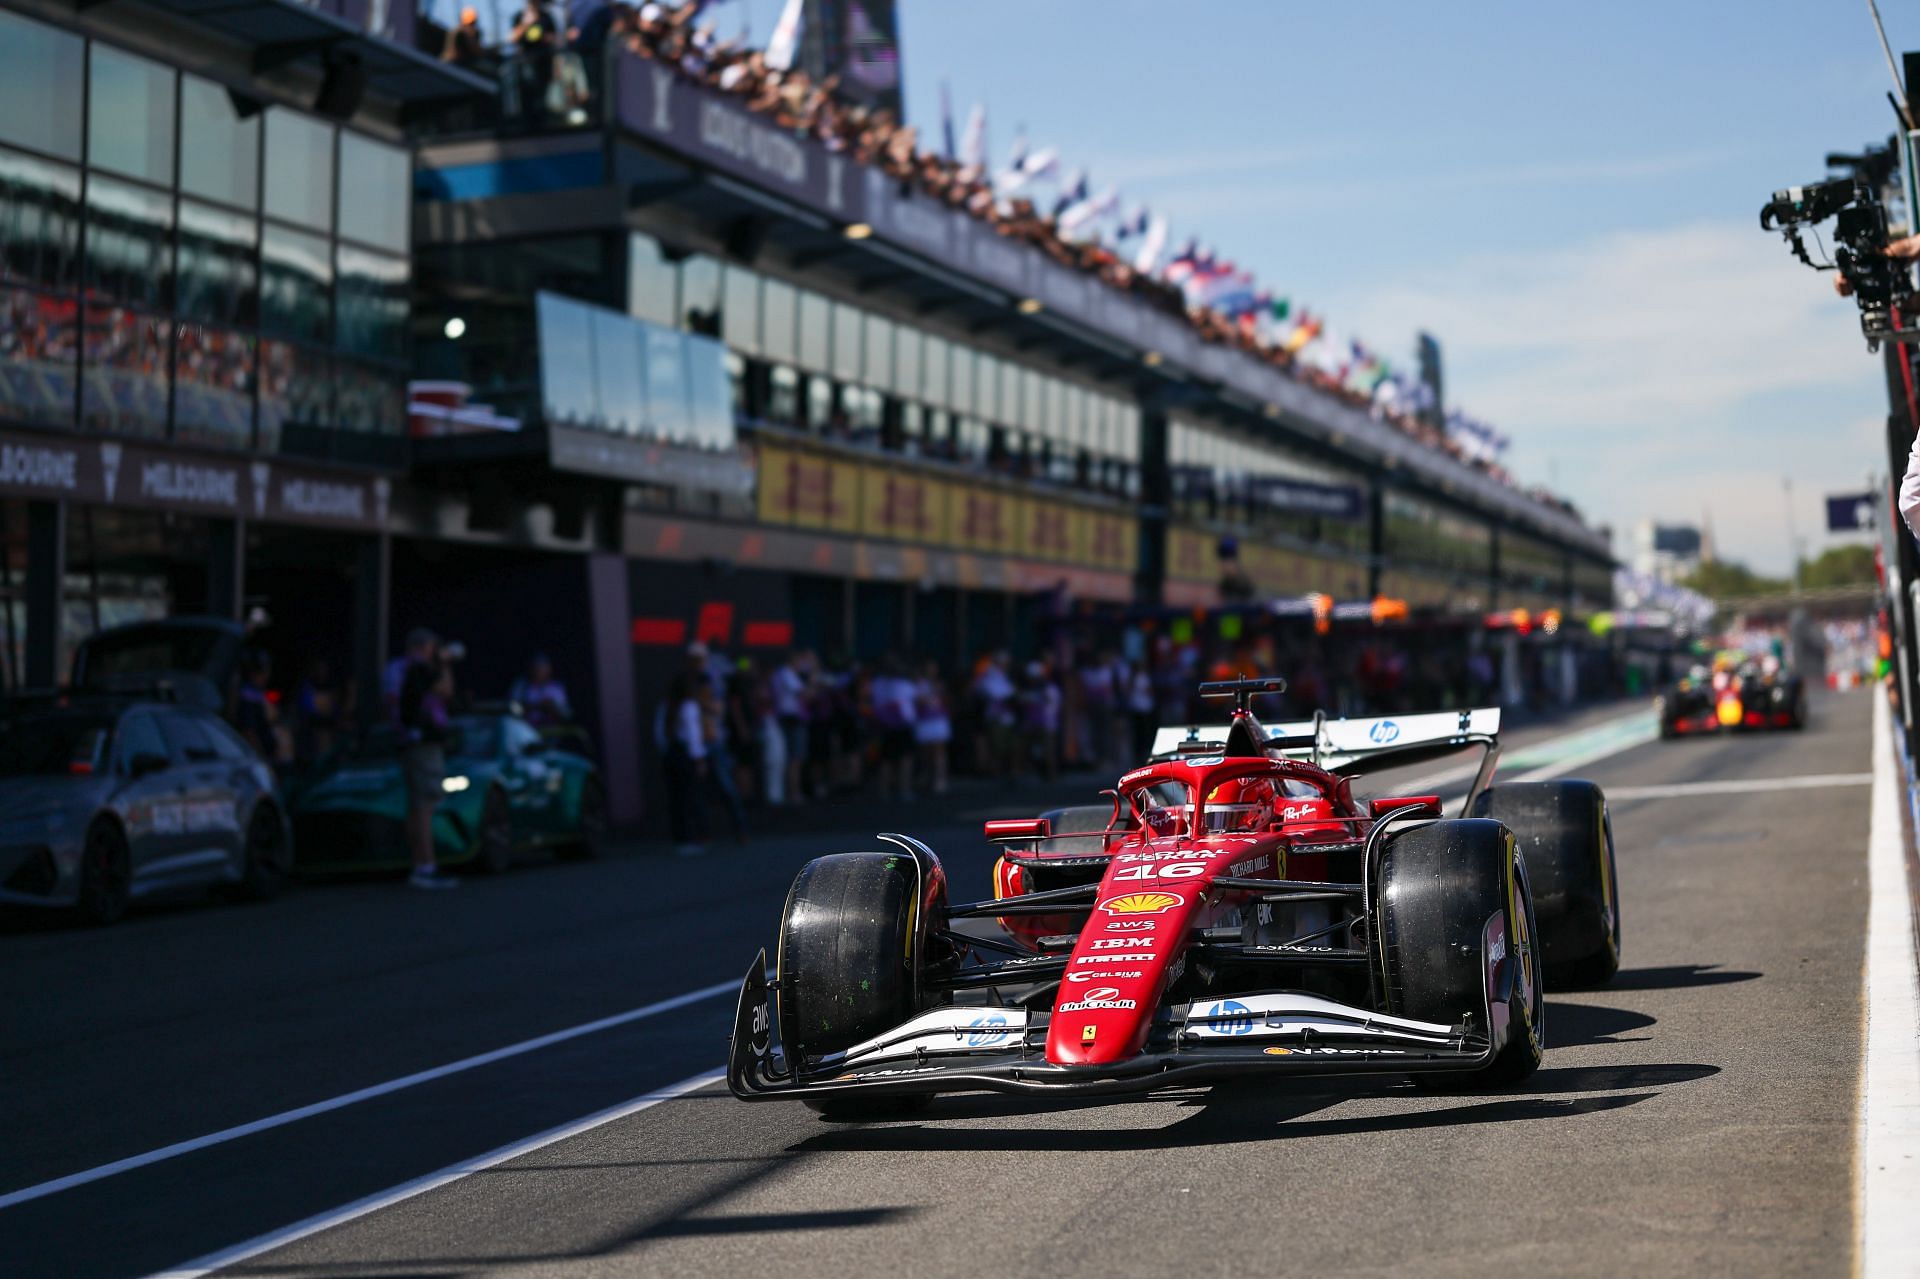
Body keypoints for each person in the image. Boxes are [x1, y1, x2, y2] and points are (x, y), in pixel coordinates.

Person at [395, 634, 458, 889]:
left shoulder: (410, 670)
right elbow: (442, 688)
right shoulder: (418, 668)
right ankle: (426, 867)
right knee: (424, 805)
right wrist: (443, 663)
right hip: (421, 745)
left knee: (419, 805)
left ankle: (423, 865)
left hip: (415, 743)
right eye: (432, 647)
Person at [661, 672, 708, 856]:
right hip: (685, 757)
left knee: (676, 800)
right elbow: (693, 735)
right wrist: (699, 759)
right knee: (688, 798)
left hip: (672, 755)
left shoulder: (668, 706)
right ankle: (689, 839)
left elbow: (659, 733)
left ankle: (680, 839)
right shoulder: (689, 706)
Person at [913, 659, 952, 796]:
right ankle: (927, 777)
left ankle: (940, 780)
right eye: (929, 668)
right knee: (926, 753)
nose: (932, 671)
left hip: (938, 720)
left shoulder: (940, 684)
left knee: (939, 751)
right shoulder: (918, 683)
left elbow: (946, 701)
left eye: (934, 668)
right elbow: (917, 701)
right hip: (924, 721)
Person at [511, 653, 572, 727]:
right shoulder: (521, 686)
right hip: (524, 729)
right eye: (536, 667)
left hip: (550, 732)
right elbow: (511, 709)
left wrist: (553, 708)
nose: (538, 670)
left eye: (542, 667)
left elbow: (567, 715)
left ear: (549, 669)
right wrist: (534, 707)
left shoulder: (556, 688)